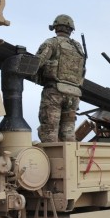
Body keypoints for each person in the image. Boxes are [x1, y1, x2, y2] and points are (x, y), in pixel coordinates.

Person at [35, 14, 86, 142]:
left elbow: (36, 63)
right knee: (68, 135)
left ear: (55, 27)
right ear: (71, 30)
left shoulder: (52, 43)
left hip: (55, 92)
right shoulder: (78, 48)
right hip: (74, 95)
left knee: (49, 132)